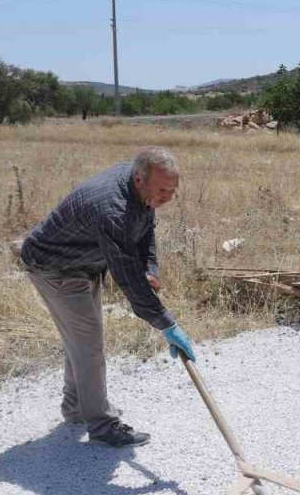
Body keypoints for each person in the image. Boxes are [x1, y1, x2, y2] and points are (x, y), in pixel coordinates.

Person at [20, 147, 195, 447]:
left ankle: (76, 408)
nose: (167, 197)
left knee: (82, 342)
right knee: (88, 346)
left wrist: (149, 267)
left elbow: (145, 226)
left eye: (173, 190)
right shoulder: (112, 210)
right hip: (55, 267)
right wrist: (166, 324)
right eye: (163, 190)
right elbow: (127, 279)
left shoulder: (138, 183)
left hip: (84, 263)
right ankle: (102, 425)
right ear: (139, 180)